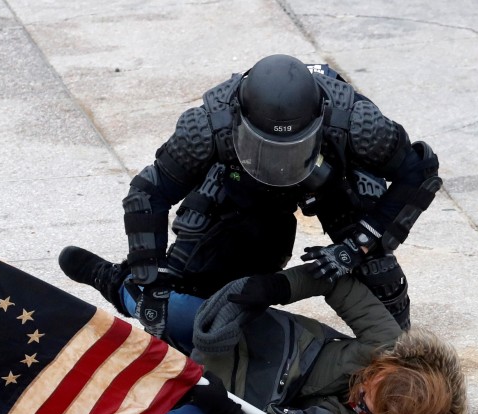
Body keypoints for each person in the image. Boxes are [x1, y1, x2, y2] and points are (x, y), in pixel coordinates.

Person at [59, 53, 442, 352]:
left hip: (331, 181)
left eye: (289, 147)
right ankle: (118, 283)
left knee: (385, 300)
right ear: (238, 120)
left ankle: (396, 358)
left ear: (322, 119)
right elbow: (147, 193)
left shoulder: (357, 122)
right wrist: (151, 279)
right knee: (185, 287)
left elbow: (420, 171)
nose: (280, 163)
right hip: (245, 185)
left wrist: (359, 244)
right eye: (268, 146)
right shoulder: (207, 126)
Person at [141, 264, 467, 414]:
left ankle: (142, 370)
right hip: (262, 342)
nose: (360, 393)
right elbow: (335, 282)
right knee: (167, 307)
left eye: (367, 408)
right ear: (393, 364)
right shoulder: (389, 343)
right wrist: (278, 286)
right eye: (372, 377)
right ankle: (112, 281)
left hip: (244, 403)